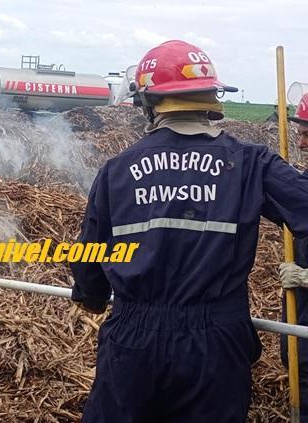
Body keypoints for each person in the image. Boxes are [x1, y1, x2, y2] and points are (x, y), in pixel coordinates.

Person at [70, 40, 308, 422]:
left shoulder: (117, 170)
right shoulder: (251, 163)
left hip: (133, 343)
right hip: (214, 347)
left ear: (148, 102)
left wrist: (91, 294)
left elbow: (90, 255)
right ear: (211, 97)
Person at [279, 91, 308, 421]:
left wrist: (305, 276)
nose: (300, 144)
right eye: (299, 134)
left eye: (307, 135)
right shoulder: (304, 185)